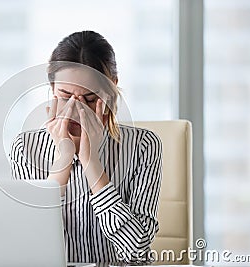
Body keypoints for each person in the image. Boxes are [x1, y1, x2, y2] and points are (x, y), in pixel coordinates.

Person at [10, 31, 162, 264]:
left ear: (111, 91)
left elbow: (138, 252)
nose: (76, 110)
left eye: (90, 99)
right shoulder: (25, 148)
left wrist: (93, 165)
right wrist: (63, 161)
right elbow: (25, 246)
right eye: (65, 95)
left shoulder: (143, 146)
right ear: (52, 89)